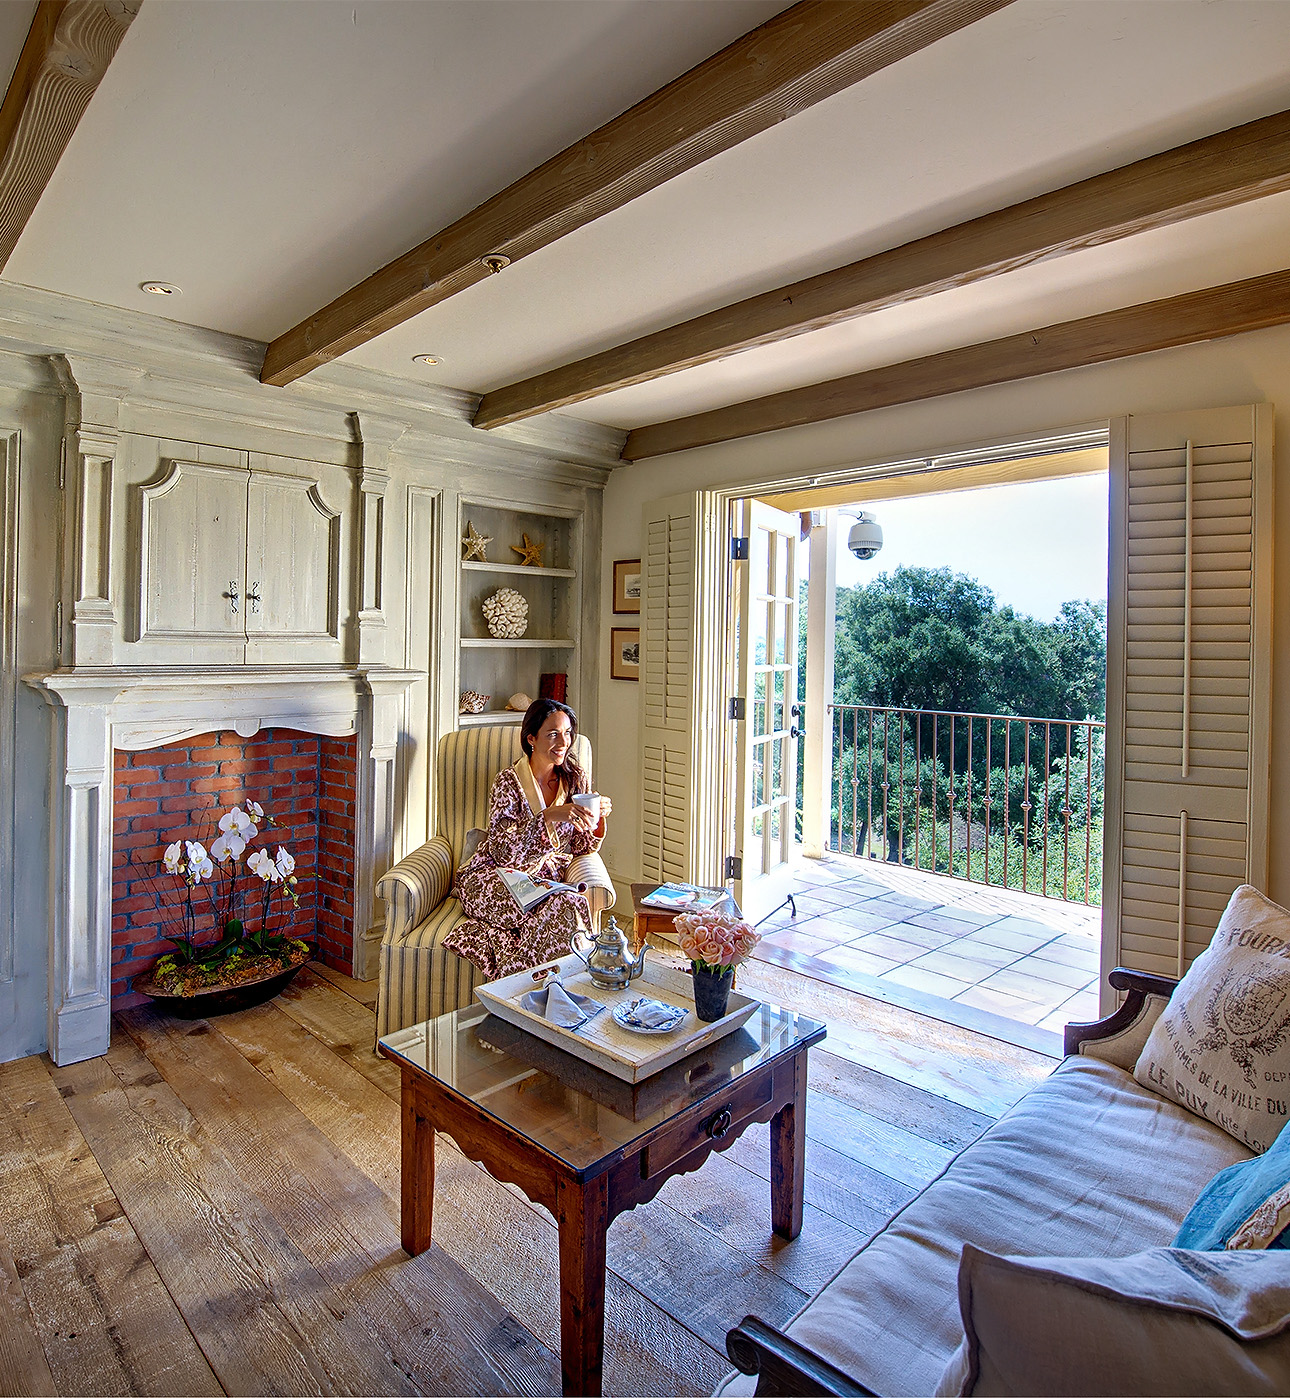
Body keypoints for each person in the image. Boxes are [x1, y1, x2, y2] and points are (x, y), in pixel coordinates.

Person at [443, 698, 612, 979]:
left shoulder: (575, 779)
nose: (564, 742)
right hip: (494, 876)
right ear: (531, 738)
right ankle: (533, 996)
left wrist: (598, 819)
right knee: (562, 909)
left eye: (568, 732)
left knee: (569, 904)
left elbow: (581, 848)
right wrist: (549, 816)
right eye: (553, 734)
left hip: (542, 883)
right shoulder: (507, 782)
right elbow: (503, 853)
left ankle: (530, 990)